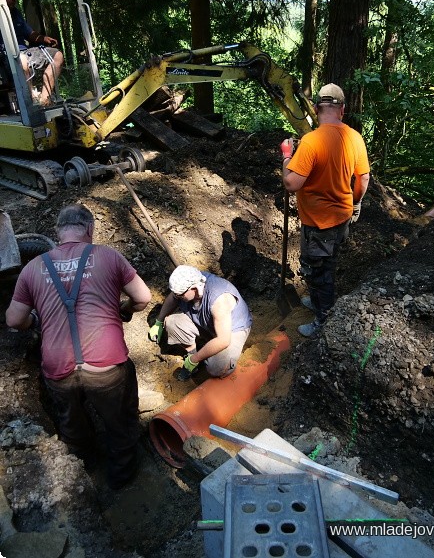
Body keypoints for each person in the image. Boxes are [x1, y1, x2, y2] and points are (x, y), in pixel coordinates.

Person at [6, 204, 151, 489]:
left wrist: (36, 321)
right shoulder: (108, 256)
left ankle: (84, 469)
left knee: (72, 424)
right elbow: (143, 297)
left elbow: (13, 319)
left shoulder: (34, 267)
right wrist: (126, 308)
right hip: (106, 366)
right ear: (90, 229)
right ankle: (121, 480)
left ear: (58, 232)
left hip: (58, 369)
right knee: (119, 423)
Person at [280, 83, 370, 338]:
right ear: (342, 109)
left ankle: (324, 319)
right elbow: (363, 179)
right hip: (342, 217)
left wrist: (287, 156)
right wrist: (354, 203)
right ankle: (319, 301)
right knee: (326, 264)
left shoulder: (311, 142)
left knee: (320, 271)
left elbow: (291, 183)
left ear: (318, 108)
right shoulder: (355, 137)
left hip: (319, 222)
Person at [148, 265, 252, 381]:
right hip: (207, 322)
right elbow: (173, 298)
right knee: (172, 322)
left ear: (195, 288)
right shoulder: (188, 286)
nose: (177, 297)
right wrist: (159, 321)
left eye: (180, 295)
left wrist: (195, 359)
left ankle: (196, 360)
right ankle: (191, 353)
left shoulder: (219, 300)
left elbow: (223, 340)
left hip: (232, 330)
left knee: (216, 367)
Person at [1, 0, 64, 106]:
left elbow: (30, 34)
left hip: (25, 52)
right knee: (22, 60)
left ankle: (44, 99)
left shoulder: (16, 14)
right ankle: (30, 103)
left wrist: (43, 38)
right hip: (5, 56)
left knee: (57, 55)